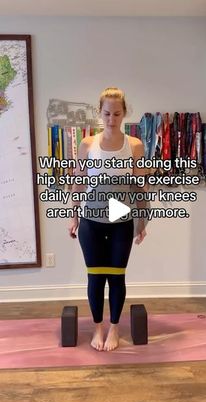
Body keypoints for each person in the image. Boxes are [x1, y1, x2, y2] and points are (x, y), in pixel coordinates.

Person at [68, 87, 147, 351]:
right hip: (90, 217)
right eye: (106, 113)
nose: (111, 119)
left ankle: (114, 329)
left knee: (116, 277)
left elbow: (140, 187)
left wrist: (142, 222)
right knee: (95, 277)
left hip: (120, 217)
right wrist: (73, 216)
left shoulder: (134, 146)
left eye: (116, 113)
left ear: (124, 113)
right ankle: (98, 327)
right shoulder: (87, 143)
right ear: (99, 112)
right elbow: (79, 182)